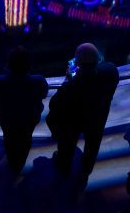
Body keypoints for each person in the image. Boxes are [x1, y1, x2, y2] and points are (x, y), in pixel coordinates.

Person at [49, 42, 119, 183]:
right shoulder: (111, 71)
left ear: (78, 63)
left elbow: (54, 104)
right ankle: (87, 168)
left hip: (75, 122)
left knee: (67, 142)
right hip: (98, 117)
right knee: (93, 144)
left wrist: (69, 78)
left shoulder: (71, 85)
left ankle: (64, 165)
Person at [0, 46, 48, 175]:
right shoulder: (39, 80)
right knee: (26, 137)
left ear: (9, 63)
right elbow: (43, 95)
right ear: (29, 63)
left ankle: (13, 160)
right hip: (30, 117)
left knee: (8, 136)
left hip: (5, 117)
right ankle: (19, 162)